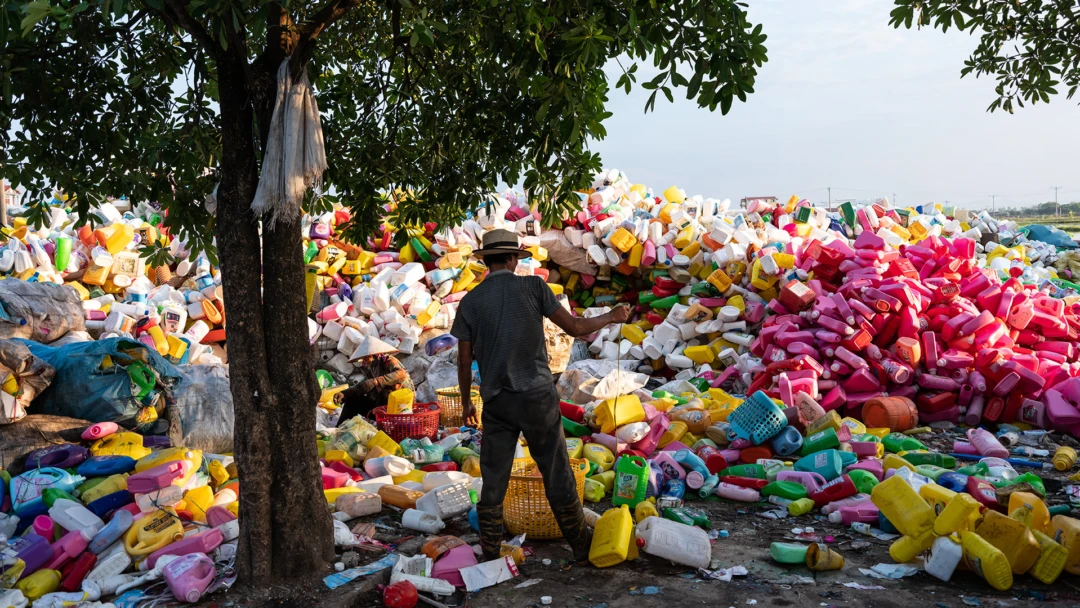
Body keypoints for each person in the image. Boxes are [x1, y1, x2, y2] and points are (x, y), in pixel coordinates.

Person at [450, 228, 631, 562]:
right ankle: (579, 547)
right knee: (556, 471)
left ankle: (490, 554)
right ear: (513, 258)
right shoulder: (533, 286)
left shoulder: (470, 301)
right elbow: (576, 328)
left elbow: (464, 360)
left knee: (493, 479)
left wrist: (465, 403)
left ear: (487, 261)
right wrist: (612, 316)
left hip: (496, 402)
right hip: (537, 397)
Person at [336, 336, 413, 425]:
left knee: (383, 392)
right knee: (352, 401)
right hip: (382, 407)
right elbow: (363, 386)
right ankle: (339, 428)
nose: (365, 360)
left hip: (400, 407)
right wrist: (345, 393)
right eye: (363, 358)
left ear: (374, 355)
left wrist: (376, 381)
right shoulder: (372, 369)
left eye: (366, 357)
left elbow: (402, 374)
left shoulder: (389, 361)